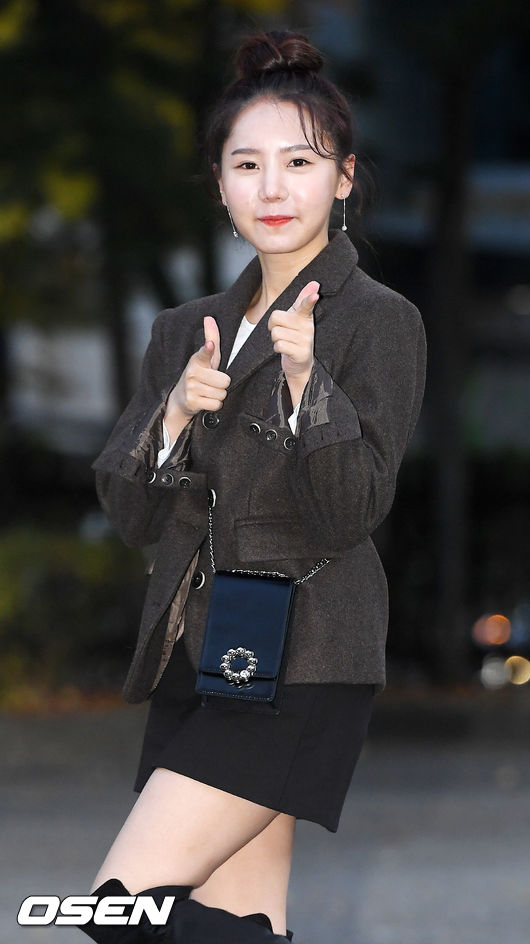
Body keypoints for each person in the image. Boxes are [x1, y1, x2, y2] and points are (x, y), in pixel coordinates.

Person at [79, 28, 427, 944]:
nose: (272, 188)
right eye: (247, 165)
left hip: (305, 657)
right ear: (221, 185)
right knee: (236, 923)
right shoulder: (182, 329)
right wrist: (171, 419)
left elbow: (352, 510)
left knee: (118, 912)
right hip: (200, 656)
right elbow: (129, 512)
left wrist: (311, 387)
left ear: (344, 178)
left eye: (299, 162)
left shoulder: (379, 323)